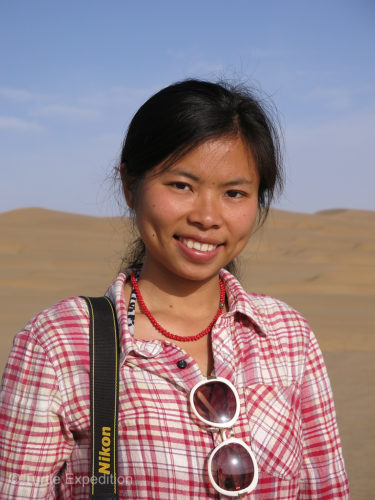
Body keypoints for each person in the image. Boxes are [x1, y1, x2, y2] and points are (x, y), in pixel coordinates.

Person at [0, 79, 349, 499]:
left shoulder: (288, 336)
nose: (207, 216)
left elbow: (326, 490)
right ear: (130, 186)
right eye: (182, 185)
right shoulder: (60, 343)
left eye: (235, 193)